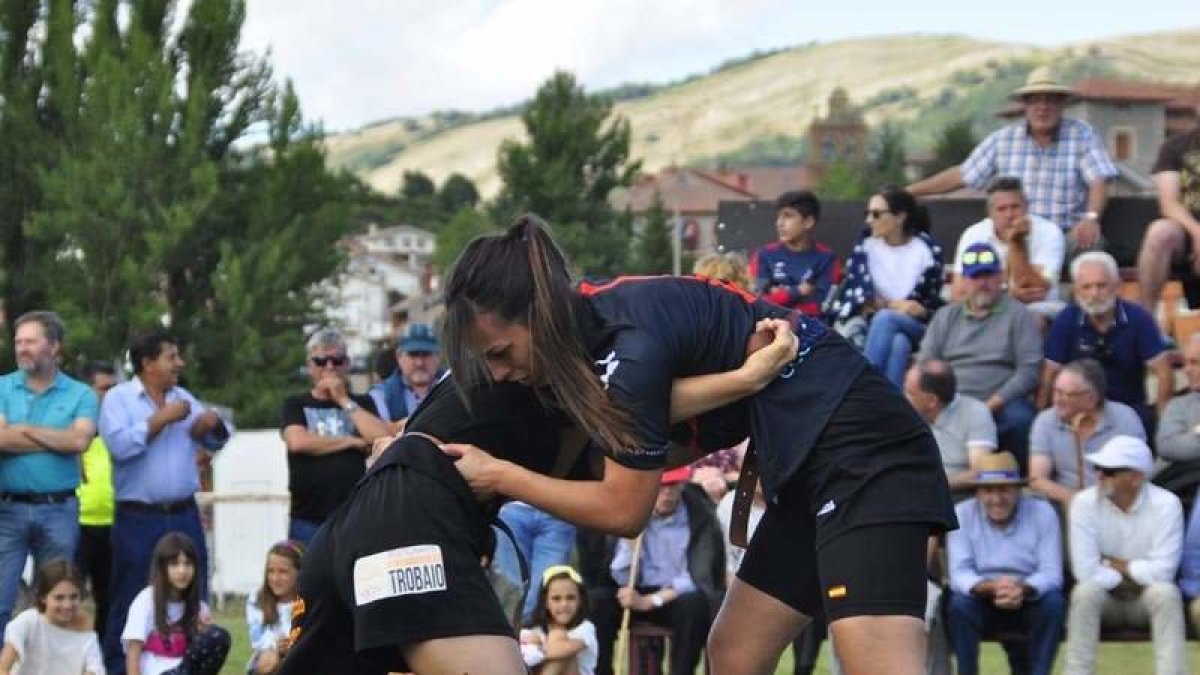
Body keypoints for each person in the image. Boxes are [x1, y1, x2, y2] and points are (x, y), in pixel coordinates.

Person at [439, 215, 957, 675]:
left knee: (874, 662)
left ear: (538, 314)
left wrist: (500, 475)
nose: (499, 374)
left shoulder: (626, 348)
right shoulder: (596, 343)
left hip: (867, 454)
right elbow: (652, 441)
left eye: (501, 353)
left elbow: (624, 509)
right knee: (734, 652)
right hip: (803, 470)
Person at [277, 322, 798, 675]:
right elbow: (641, 410)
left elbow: (641, 441)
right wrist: (745, 379)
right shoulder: (572, 373)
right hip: (406, 523)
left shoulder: (510, 395)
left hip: (354, 530)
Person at [99, 331, 231, 674]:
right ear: (147, 363)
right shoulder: (119, 399)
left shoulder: (182, 397)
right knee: (130, 598)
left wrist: (212, 424)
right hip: (137, 519)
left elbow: (215, 440)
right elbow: (119, 447)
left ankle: (189, 668)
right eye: (172, 357)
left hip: (184, 512)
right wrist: (161, 419)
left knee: (193, 596)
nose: (180, 364)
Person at [908, 66, 1119, 250]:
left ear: (1062, 103)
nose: (1043, 107)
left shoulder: (1082, 134)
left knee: (1091, 245)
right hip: (1014, 236)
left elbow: (1100, 178)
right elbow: (963, 175)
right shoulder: (1003, 140)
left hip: (1065, 235)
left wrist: (1091, 218)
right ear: (1024, 106)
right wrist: (909, 192)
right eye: (1035, 100)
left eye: (1050, 100)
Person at [0, 311, 99, 642]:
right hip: (7, 510)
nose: (21, 348)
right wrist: (54, 438)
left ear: (54, 346)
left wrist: (23, 429)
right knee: (0, 602)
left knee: (57, 602)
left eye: (30, 341)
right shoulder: (1, 387)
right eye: (18, 342)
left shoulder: (81, 394)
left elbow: (79, 441)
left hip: (59, 510)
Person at [1065, 436, 1187, 675]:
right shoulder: (1083, 503)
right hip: (1106, 599)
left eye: (1109, 471)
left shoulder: (1167, 504)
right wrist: (1138, 571)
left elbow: (1164, 572)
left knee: (1166, 593)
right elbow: (1086, 572)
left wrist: (1112, 563)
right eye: (1099, 469)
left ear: (1136, 477)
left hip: (1146, 600)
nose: (1100, 476)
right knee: (1085, 592)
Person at [918, 242, 1042, 468]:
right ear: (964, 281)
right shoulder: (946, 316)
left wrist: (992, 404)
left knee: (1020, 420)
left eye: (988, 275)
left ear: (1000, 277)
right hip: (951, 401)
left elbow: (1029, 370)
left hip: (1002, 402)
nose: (982, 283)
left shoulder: (1019, 314)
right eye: (975, 277)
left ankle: (1019, 485)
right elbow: (925, 363)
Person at [592, 467, 724, 675]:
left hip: (675, 599)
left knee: (695, 604)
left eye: (673, 486)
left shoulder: (700, 515)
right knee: (598, 601)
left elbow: (699, 577)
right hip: (634, 592)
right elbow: (617, 576)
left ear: (683, 484)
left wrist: (651, 601)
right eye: (662, 487)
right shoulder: (632, 511)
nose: (668, 494)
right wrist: (629, 546)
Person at [946, 452, 1065, 675]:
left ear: (1018, 490)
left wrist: (1021, 588)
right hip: (981, 597)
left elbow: (1051, 573)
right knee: (958, 605)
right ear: (978, 492)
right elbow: (959, 574)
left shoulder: (1043, 512)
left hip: (1028, 596)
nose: (997, 498)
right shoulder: (962, 514)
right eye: (989, 490)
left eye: (1004, 489)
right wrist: (993, 587)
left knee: (1053, 604)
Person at [1039, 251, 1170, 435]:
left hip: (1128, 411)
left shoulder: (1139, 318)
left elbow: (1164, 372)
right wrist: (1042, 414)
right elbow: (1049, 374)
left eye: (1101, 286)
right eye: (1087, 287)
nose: (1094, 293)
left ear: (1118, 287)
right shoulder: (1066, 320)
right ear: (1076, 291)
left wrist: (1163, 421)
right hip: (1077, 410)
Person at [281, 327, 389, 545]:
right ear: (310, 366)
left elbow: (380, 437)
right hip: (308, 518)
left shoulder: (363, 404)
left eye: (337, 361)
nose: (329, 367)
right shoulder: (296, 404)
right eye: (321, 361)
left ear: (347, 364)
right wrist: (352, 441)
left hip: (355, 514)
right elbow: (297, 442)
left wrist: (343, 400)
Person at [827, 187, 944, 386]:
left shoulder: (927, 251)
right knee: (899, 344)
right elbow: (856, 298)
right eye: (867, 214)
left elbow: (935, 306)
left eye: (876, 214)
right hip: (874, 326)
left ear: (900, 217)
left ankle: (865, 386)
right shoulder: (865, 248)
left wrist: (919, 309)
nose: (869, 220)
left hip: (917, 327)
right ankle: (892, 409)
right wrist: (885, 305)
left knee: (887, 318)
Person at [1029, 360, 1146, 512]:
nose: (1057, 400)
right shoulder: (1045, 421)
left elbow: (1135, 473)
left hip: (1116, 503)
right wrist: (1074, 499)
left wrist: (1100, 502)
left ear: (1091, 398)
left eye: (1067, 395)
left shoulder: (1125, 419)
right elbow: (1037, 479)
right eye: (1056, 391)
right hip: (1067, 505)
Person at [951, 177, 1065, 315]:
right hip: (988, 309)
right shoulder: (973, 234)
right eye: (1001, 209)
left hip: (1039, 309)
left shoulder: (1049, 232)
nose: (1010, 215)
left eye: (1015, 207)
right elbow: (958, 294)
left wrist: (1017, 242)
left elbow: (1035, 290)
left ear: (1027, 207)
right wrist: (1009, 296)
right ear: (990, 214)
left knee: (1032, 318)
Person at [121, 533, 228, 675]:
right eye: (174, 564)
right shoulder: (146, 600)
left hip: (185, 670)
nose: (182, 571)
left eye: (188, 564)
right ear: (161, 568)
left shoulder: (200, 608)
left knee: (219, 636)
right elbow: (133, 654)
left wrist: (204, 634)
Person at [1135, 103, 1200, 313]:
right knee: (1159, 232)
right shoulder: (1176, 145)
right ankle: (1146, 321)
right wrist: (1198, 233)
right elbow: (1169, 204)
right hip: (1187, 231)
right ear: (1197, 106)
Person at [903, 360, 997, 497]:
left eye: (910, 393)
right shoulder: (905, 415)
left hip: (955, 495)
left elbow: (979, 472)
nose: (903, 397)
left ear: (931, 401)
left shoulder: (975, 413)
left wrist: (931, 484)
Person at [0, 559, 104, 675]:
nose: (67, 605)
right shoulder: (29, 622)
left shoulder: (87, 635)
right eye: (59, 598)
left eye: (73, 597)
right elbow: (3, 668)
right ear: (43, 597)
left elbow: (94, 669)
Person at [76, 362, 118, 643]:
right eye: (105, 388)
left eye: (115, 388)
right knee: (70, 596)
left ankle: (103, 659)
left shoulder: (119, 426)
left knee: (110, 598)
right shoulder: (73, 424)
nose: (111, 395)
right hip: (78, 523)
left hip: (116, 524)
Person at [748, 190, 840, 316]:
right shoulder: (764, 255)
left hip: (811, 330)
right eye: (779, 216)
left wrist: (778, 293)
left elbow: (822, 307)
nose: (779, 223)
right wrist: (797, 291)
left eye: (788, 216)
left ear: (808, 222)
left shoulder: (827, 259)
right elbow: (758, 301)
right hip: (769, 327)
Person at [519, 565, 598, 675]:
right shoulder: (536, 629)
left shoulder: (585, 627)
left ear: (580, 601)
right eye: (556, 598)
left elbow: (568, 648)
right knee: (531, 638)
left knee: (558, 637)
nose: (564, 604)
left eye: (570, 598)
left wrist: (535, 652)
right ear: (545, 602)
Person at [368, 323, 444, 429]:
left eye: (426, 354)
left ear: (438, 356)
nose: (420, 363)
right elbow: (379, 433)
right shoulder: (382, 394)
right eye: (413, 354)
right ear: (399, 356)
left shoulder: (455, 387)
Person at [246, 541, 303, 675]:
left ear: (300, 572)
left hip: (301, 657)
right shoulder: (257, 600)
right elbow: (257, 641)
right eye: (270, 571)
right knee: (271, 658)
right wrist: (277, 645)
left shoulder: (307, 602)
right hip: (268, 661)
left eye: (283, 572)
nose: (275, 578)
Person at [1156, 333, 1200, 466]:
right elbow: (1167, 445)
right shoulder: (1178, 406)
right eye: (1184, 363)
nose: (1186, 370)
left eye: (1194, 362)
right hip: (1183, 483)